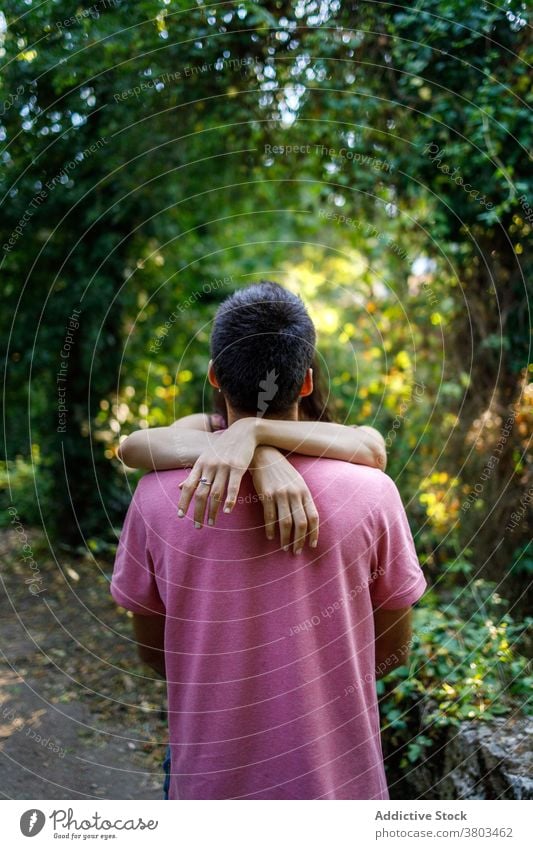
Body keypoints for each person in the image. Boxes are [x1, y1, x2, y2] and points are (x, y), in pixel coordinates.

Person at [111, 281, 426, 799]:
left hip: (206, 787)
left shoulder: (157, 497)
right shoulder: (373, 495)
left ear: (214, 375)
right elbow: (392, 647)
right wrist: (260, 447)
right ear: (305, 382)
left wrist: (251, 435)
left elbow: (154, 650)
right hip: (338, 789)